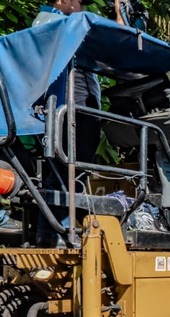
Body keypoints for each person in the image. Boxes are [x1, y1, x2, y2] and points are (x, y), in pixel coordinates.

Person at [32, 0, 102, 246]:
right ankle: (60, 233)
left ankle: (58, 232)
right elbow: (112, 39)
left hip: (74, 110)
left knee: (70, 172)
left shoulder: (62, 23)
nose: (81, 6)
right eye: (77, 1)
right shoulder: (53, 22)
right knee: (65, 171)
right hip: (68, 111)